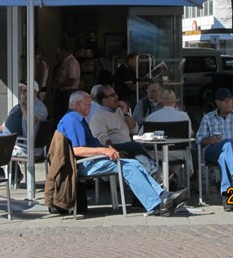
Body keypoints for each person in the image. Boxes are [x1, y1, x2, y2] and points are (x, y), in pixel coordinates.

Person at [57, 91, 188, 216]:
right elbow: (76, 150)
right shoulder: (73, 120)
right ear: (78, 104)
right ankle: (155, 204)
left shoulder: (75, 119)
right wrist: (104, 150)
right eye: (88, 105)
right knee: (128, 166)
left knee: (134, 163)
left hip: (92, 160)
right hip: (83, 164)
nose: (91, 108)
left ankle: (162, 196)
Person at [89, 85, 158, 177]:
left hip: (128, 145)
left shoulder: (119, 111)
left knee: (138, 147)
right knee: (135, 146)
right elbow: (103, 139)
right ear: (104, 101)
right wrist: (115, 151)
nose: (116, 97)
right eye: (112, 95)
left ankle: (153, 174)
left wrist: (126, 113)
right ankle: (155, 170)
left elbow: (134, 130)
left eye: (116, 94)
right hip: (115, 147)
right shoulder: (98, 116)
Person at [0, 80, 48, 174]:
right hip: (10, 139)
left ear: (35, 92)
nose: (23, 93)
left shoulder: (40, 107)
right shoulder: (18, 107)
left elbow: (30, 119)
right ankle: (5, 175)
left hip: (23, 144)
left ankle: (3, 177)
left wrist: (23, 104)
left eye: (26, 91)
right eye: (22, 91)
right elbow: (8, 121)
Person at [143, 89, 193, 178]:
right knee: (185, 149)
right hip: (177, 153)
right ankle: (171, 175)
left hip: (156, 153)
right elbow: (189, 136)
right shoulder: (183, 116)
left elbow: (143, 137)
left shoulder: (151, 117)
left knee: (146, 152)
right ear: (175, 103)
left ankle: (163, 176)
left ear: (161, 103)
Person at [53, 45, 80, 118]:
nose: (58, 55)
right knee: (60, 112)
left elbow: (72, 80)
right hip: (63, 92)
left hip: (69, 91)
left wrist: (59, 85)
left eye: (60, 52)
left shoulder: (72, 62)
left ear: (64, 51)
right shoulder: (65, 62)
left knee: (68, 112)